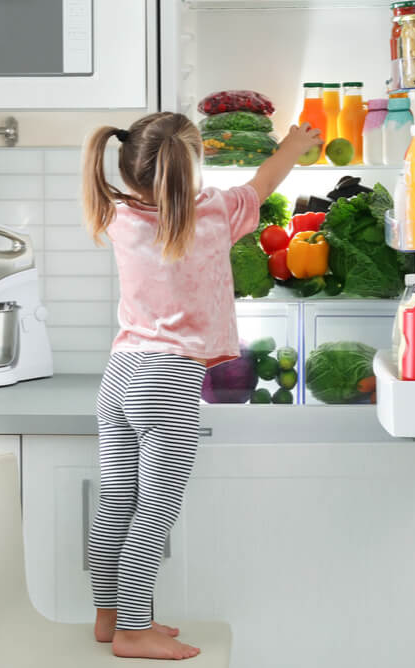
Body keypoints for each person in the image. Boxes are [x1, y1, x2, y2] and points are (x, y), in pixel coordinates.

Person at [81, 112, 321, 660]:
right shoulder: (209, 214)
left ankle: (110, 614)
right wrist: (292, 143)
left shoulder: (115, 212)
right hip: (166, 381)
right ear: (187, 169)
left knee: (117, 501)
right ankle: (134, 631)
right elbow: (262, 185)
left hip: (120, 373)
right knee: (155, 511)